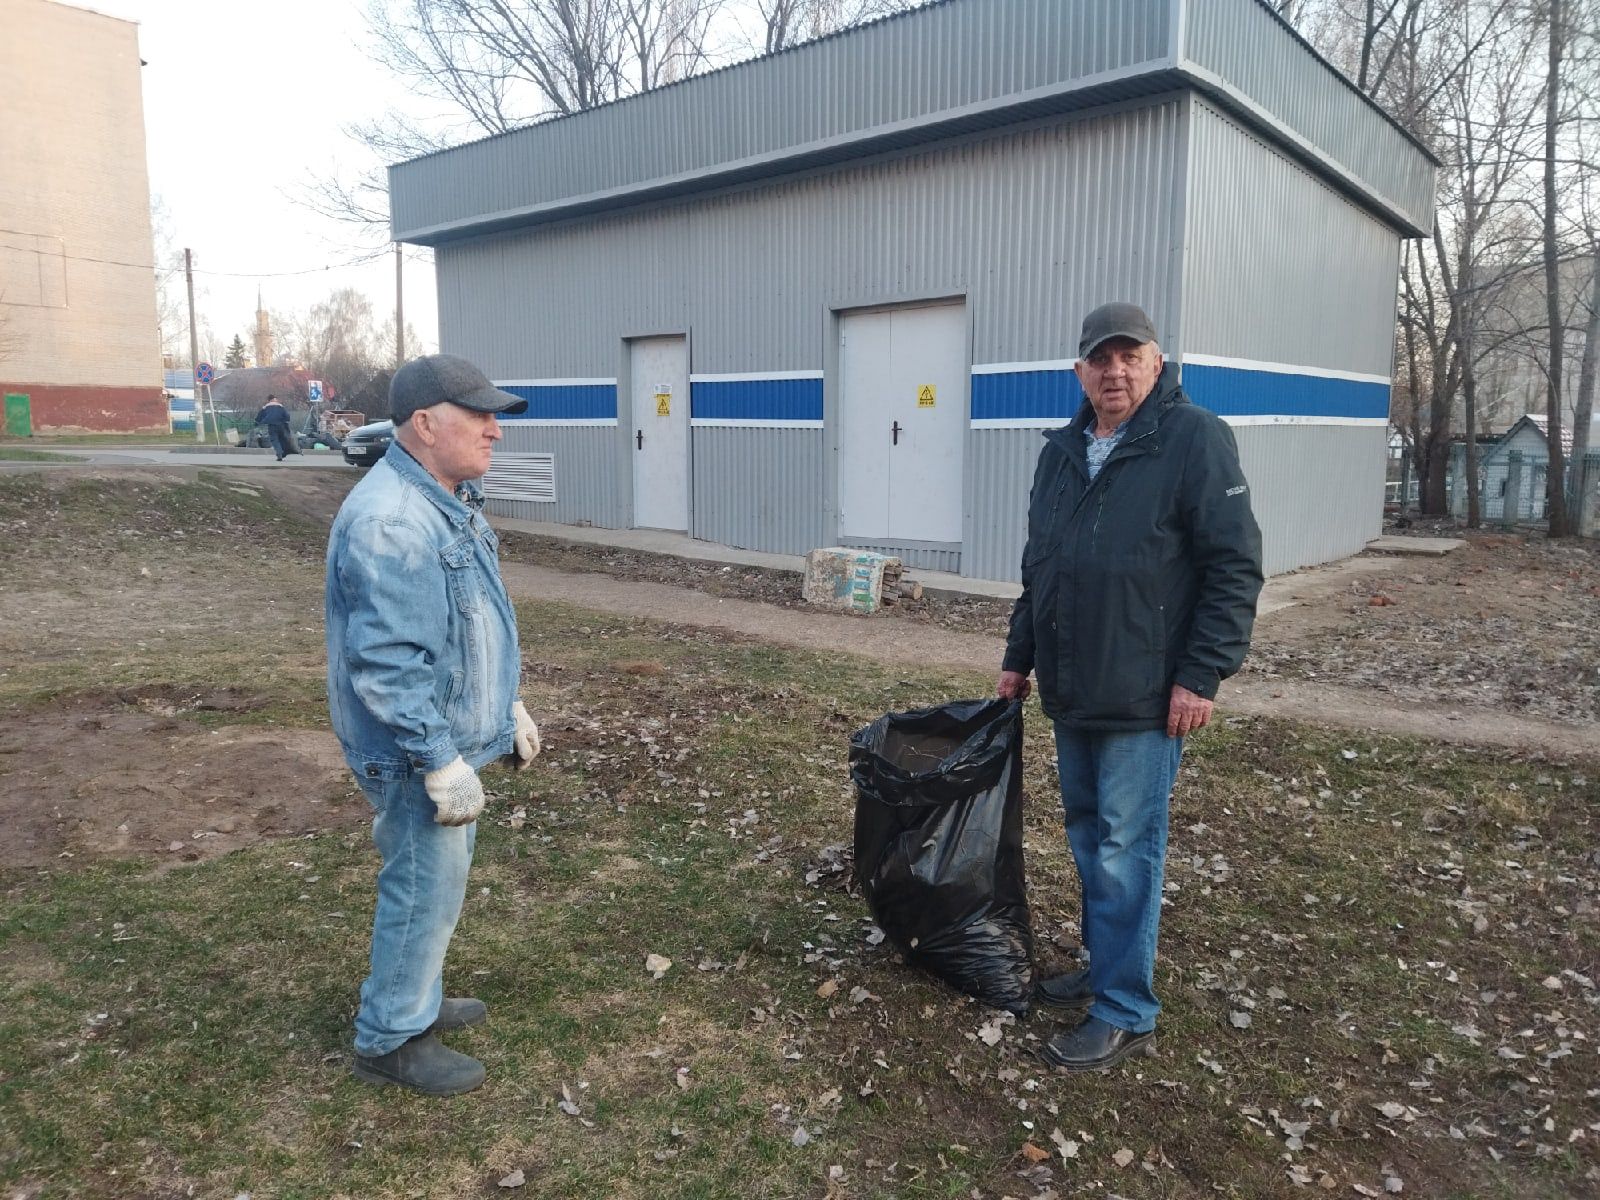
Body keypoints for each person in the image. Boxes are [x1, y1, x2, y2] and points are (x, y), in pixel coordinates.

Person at [998, 302, 1263, 1071]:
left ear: (1156, 363)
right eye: (1099, 359)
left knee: (1124, 848)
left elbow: (1232, 567)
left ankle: (1125, 1007)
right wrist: (1020, 653)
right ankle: (1106, 964)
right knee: (1090, 838)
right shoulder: (1063, 451)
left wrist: (1201, 674)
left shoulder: (1193, 440)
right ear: (1080, 371)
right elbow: (1039, 564)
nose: (1114, 371)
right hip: (1075, 686)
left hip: (1147, 694)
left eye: (1130, 357)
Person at [325, 353, 540, 1096]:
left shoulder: (447, 495)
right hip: (414, 750)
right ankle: (389, 1037)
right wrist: (439, 759)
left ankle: (414, 993)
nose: (495, 432)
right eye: (478, 416)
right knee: (421, 886)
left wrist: (505, 702)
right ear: (425, 423)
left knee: (436, 888)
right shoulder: (392, 521)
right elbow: (387, 664)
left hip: (443, 737)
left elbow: (463, 625)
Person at [254, 394, 296, 461]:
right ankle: (283, 453)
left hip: (272, 425)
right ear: (275, 399)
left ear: (269, 400)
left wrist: (257, 422)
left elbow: (259, 416)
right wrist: (286, 421)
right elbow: (287, 416)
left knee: (274, 440)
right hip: (281, 425)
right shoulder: (281, 406)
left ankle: (279, 453)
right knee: (282, 439)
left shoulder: (266, 407)